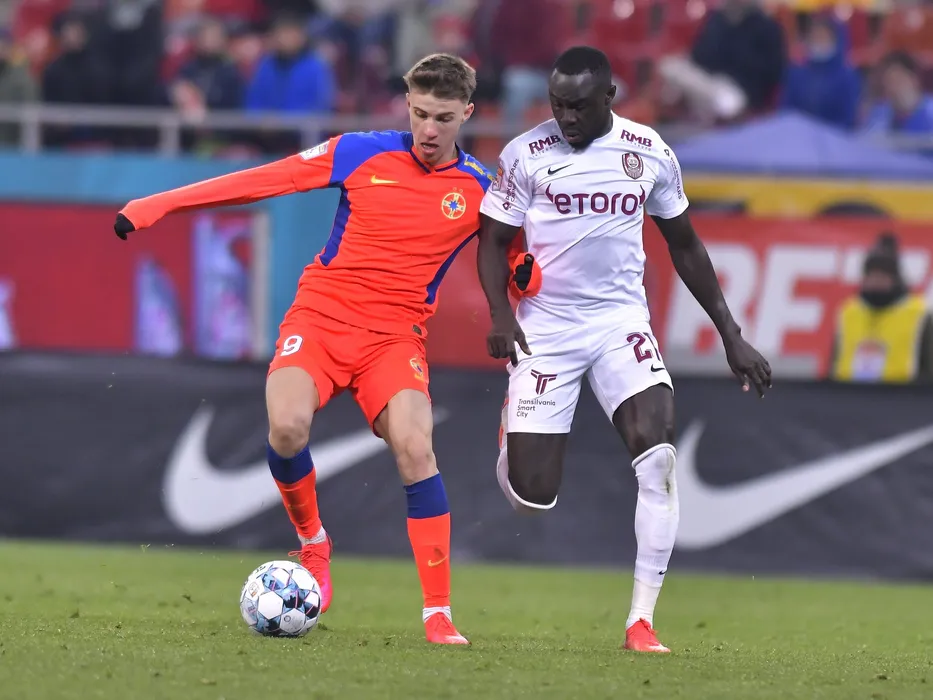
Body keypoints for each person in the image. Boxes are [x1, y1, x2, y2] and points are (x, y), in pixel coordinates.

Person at [113, 53, 499, 646]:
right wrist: (159, 204)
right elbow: (262, 180)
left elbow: (517, 260)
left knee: (416, 447)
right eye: (420, 113)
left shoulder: (480, 189)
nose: (428, 129)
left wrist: (527, 278)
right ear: (406, 102)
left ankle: (438, 614)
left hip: (395, 337)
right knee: (287, 428)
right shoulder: (359, 152)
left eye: (443, 118)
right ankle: (314, 543)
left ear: (467, 114)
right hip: (321, 318)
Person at [477, 46, 772, 653]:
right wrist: (502, 314)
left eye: (579, 106)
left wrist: (730, 333)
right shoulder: (525, 154)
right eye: (557, 105)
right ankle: (515, 421)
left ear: (609, 98)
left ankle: (641, 621)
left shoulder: (649, 151)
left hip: (619, 322)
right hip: (546, 330)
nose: (566, 117)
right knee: (533, 500)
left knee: (657, 457)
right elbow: (492, 242)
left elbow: (685, 245)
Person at [831, 232, 933, 384]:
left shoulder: (918, 314)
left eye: (881, 277)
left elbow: (928, 365)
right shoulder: (849, 312)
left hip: (900, 394)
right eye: (871, 276)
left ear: (895, 280)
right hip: (850, 393)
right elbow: (834, 362)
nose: (875, 282)